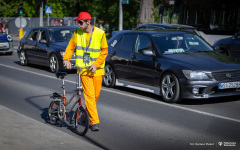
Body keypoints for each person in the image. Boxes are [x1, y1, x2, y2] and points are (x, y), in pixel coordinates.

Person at [63, 12, 108, 131]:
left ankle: (84, 115)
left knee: (95, 97)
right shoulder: (77, 33)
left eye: (80, 22)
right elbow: (70, 46)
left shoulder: (100, 33)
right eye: (77, 22)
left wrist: (96, 64)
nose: (78, 24)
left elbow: (104, 51)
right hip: (84, 70)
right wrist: (66, 59)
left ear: (88, 22)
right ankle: (94, 122)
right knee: (90, 97)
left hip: (97, 70)